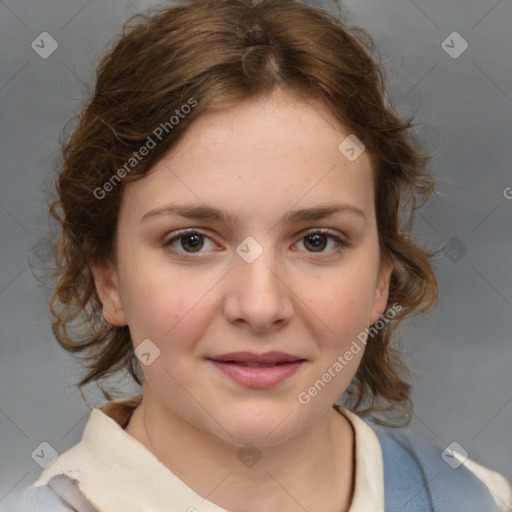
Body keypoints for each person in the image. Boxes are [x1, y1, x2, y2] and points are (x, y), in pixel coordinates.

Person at [13, 0, 511, 510]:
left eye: (317, 240)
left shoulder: (482, 498)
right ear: (110, 279)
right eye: (192, 241)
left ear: (382, 278)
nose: (259, 306)